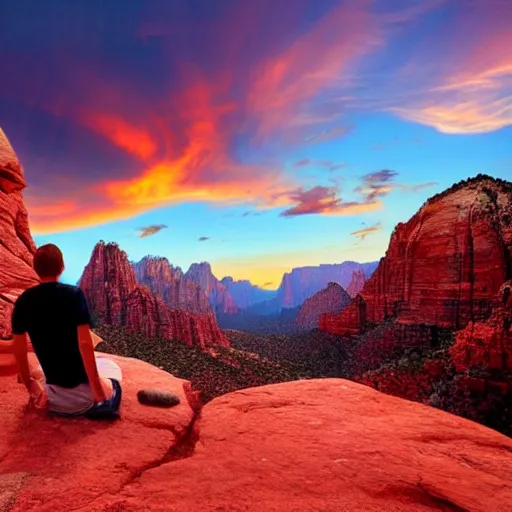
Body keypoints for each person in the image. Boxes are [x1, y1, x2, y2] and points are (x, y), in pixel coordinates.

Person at [11, 243, 122, 418]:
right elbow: (85, 344)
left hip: (52, 399)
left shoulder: (24, 301)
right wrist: (98, 395)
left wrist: (30, 385)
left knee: (39, 369)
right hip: (84, 399)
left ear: (35, 268)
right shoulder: (74, 295)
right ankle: (100, 399)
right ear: (62, 267)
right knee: (113, 370)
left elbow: (19, 349)